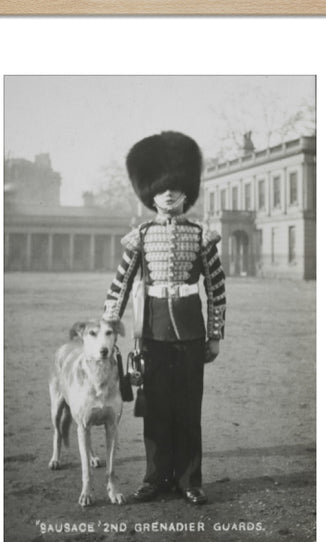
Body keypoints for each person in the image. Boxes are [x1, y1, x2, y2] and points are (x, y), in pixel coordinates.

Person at [103, 131, 226, 505]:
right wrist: (109, 325)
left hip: (190, 332)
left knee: (189, 409)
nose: (169, 193)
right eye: (161, 188)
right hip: (152, 333)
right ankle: (155, 476)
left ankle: (190, 479)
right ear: (150, 194)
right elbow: (121, 283)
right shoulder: (140, 235)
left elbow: (217, 289)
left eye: (175, 186)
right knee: (155, 409)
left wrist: (215, 334)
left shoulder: (201, 236)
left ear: (187, 191)